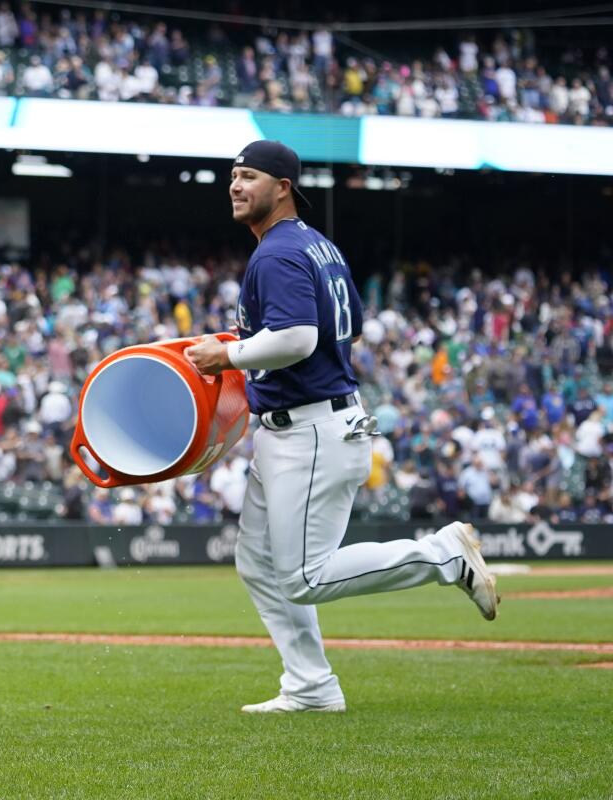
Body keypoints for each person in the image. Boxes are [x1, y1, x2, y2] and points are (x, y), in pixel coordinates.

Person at [184, 140, 498, 715]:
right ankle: (311, 687)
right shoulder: (318, 246)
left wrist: (229, 357)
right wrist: (246, 350)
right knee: (257, 562)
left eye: (248, 176)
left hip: (309, 430)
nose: (235, 185)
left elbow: (299, 338)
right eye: (232, 175)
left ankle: (442, 556)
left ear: (282, 187)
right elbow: (342, 331)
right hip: (304, 425)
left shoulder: (277, 252)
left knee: (304, 576)